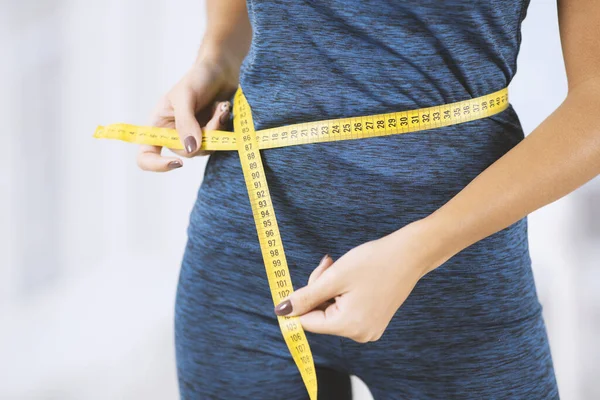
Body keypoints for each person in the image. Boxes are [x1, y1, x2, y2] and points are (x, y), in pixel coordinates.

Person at [137, 1, 599, 398]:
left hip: (456, 288)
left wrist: (421, 249)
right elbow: (236, 30)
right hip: (244, 266)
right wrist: (218, 55)